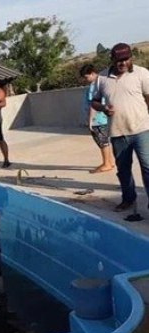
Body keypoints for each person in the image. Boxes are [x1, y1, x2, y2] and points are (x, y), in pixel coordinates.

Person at [91, 43, 149, 212]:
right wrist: (103, 108)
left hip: (142, 130)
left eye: (126, 59)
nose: (122, 63)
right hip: (117, 133)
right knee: (123, 170)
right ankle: (128, 199)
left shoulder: (142, 73)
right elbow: (94, 102)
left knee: (147, 168)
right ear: (112, 60)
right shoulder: (101, 78)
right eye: (119, 60)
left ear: (131, 58)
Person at [80, 64, 115, 173]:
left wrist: (90, 121)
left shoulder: (95, 86)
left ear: (93, 73)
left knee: (102, 141)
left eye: (86, 77)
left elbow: (93, 105)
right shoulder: (102, 82)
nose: (86, 80)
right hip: (102, 118)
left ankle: (107, 164)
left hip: (98, 119)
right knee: (104, 141)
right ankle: (108, 162)